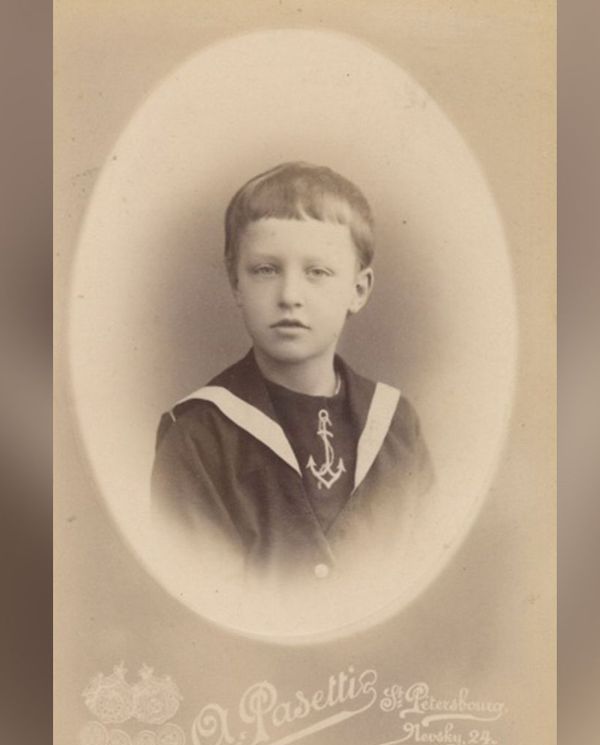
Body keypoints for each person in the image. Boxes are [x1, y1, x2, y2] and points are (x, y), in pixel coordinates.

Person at [151, 162, 433, 584]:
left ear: (358, 290)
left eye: (317, 272)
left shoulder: (397, 426)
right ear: (236, 284)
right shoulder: (198, 435)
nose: (289, 296)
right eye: (265, 270)